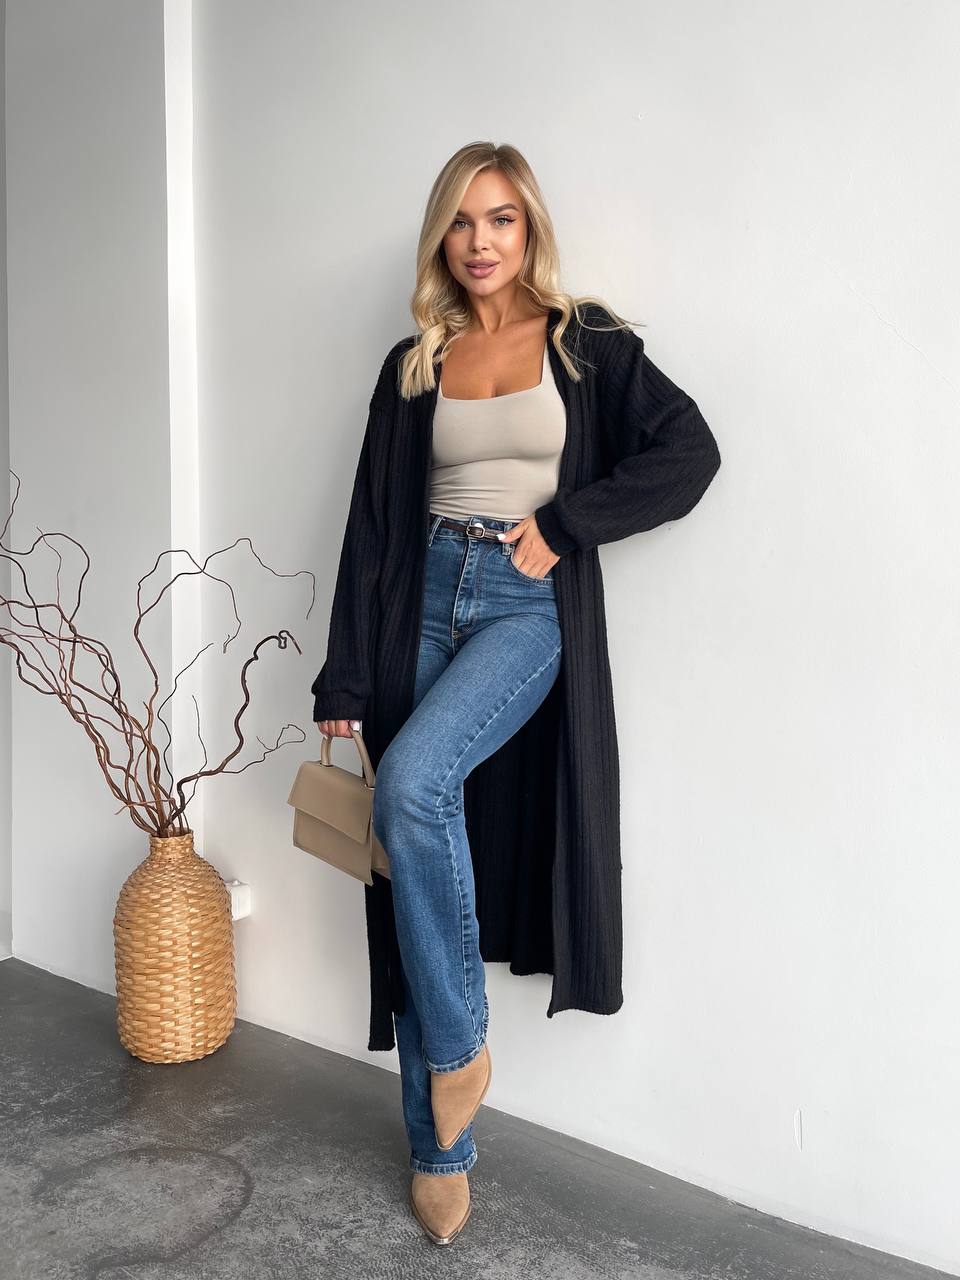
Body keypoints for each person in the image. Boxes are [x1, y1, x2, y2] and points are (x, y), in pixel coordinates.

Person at [313, 141, 721, 1247]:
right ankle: (442, 1143)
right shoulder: (417, 358)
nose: (482, 241)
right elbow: (372, 524)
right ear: (441, 239)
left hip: (521, 605)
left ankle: (458, 1050)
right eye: (461, 222)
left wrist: (565, 524)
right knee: (406, 850)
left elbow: (690, 451)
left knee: (411, 786)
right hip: (421, 600)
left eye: (500, 218)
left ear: (529, 227)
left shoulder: (586, 345)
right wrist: (345, 673)